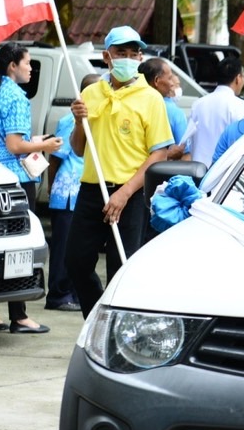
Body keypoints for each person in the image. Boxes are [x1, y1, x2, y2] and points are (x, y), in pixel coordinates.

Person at [67, 25, 174, 317]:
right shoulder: (90, 93)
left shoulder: (151, 98)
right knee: (75, 262)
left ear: (140, 58)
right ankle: (97, 318)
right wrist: (79, 122)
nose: (127, 58)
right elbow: (78, 148)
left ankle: (115, 328)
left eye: (133, 53)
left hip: (131, 194)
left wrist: (124, 193)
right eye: (120, 53)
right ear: (107, 57)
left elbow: (159, 153)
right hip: (92, 189)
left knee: (121, 268)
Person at [0, 42, 58, 334]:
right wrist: (45, 145)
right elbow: (14, 146)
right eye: (28, 63)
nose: (31, 69)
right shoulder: (16, 97)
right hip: (15, 180)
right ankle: (19, 315)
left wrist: (34, 142)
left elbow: (5, 141)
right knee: (19, 246)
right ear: (13, 66)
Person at [44, 73, 101, 312]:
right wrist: (51, 187)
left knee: (80, 249)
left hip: (82, 193)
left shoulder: (97, 118)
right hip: (68, 191)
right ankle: (58, 295)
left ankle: (75, 295)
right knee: (63, 248)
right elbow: (56, 158)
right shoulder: (71, 121)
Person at [180, 54, 244, 167]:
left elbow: (189, 140)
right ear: (238, 78)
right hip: (223, 171)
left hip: (197, 170)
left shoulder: (198, 104)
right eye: (243, 77)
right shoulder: (240, 106)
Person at [140, 56, 187, 146]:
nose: (172, 84)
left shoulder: (132, 104)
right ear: (156, 81)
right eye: (169, 78)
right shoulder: (174, 112)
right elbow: (184, 150)